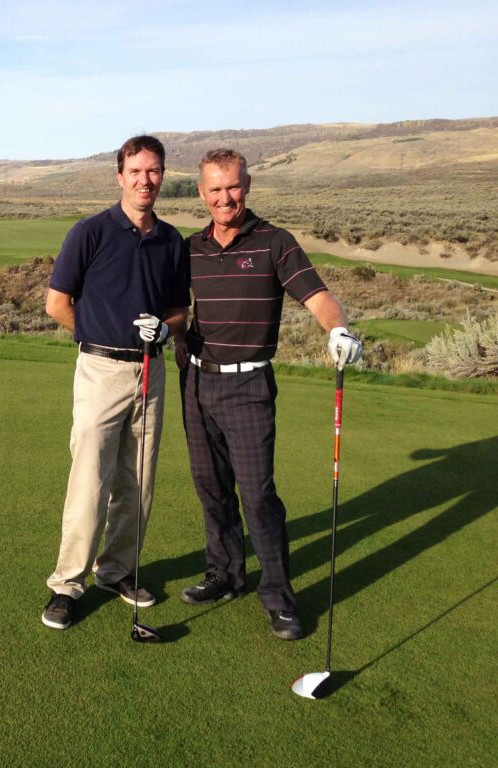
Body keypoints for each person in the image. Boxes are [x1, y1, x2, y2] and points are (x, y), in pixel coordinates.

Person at [177, 148, 363, 640]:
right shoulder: (190, 248)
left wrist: (338, 330)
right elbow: (174, 310)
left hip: (248, 384)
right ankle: (226, 573)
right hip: (195, 380)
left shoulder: (274, 242)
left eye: (232, 187)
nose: (224, 197)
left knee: (258, 495)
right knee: (210, 486)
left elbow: (319, 297)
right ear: (201, 192)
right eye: (214, 189)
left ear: (248, 185)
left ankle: (278, 596)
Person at [41, 135, 191, 630]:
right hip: (102, 369)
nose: (145, 180)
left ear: (163, 176)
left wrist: (166, 330)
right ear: (120, 176)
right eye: (136, 171)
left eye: (154, 171)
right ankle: (67, 584)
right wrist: (97, 335)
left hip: (151, 371)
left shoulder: (170, 240)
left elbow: (179, 311)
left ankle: (117, 570)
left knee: (138, 481)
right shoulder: (90, 232)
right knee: (90, 480)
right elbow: (57, 304)